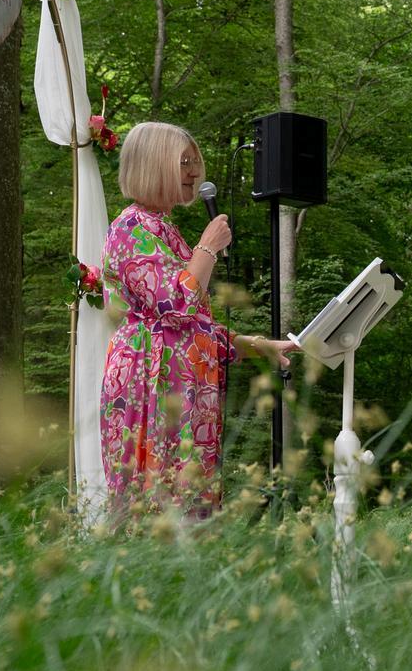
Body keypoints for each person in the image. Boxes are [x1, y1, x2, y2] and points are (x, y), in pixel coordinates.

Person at [100, 122, 291, 517]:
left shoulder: (164, 230)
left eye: (194, 162)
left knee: (188, 511)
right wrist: (207, 247)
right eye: (183, 162)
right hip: (149, 387)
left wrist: (258, 346)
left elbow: (193, 328)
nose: (193, 173)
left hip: (179, 386)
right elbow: (176, 304)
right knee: (157, 512)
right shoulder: (130, 228)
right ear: (154, 165)